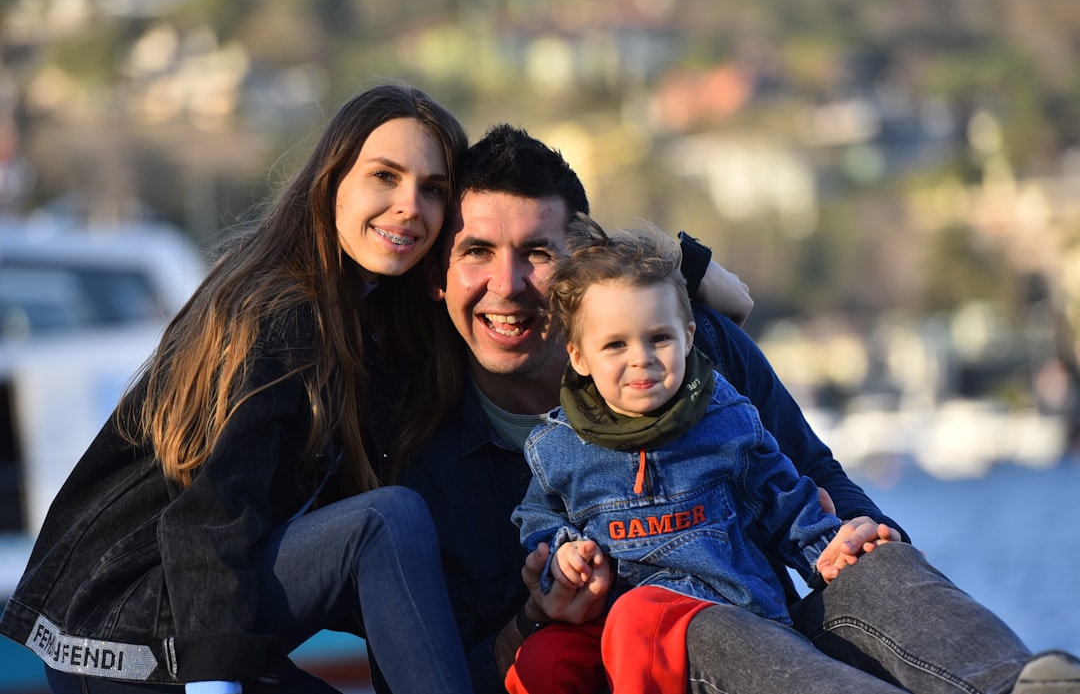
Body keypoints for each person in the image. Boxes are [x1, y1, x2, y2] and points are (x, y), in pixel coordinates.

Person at [388, 123, 1080, 694]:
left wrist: (855, 543)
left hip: (771, 638)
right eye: (477, 251)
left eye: (538, 253)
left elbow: (813, 477)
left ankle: (1016, 684)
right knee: (690, 624)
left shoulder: (706, 354)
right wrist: (535, 613)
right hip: (636, 655)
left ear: (581, 266)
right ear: (438, 275)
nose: (507, 284)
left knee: (876, 559)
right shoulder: (420, 449)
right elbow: (434, 675)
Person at [0, 83, 475, 693]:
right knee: (387, 519)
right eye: (385, 176)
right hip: (134, 632)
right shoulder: (281, 311)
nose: (409, 205)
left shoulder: (365, 323)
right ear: (331, 182)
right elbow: (213, 504)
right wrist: (215, 682)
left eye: (433, 189)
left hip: (189, 622)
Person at [506, 218, 848, 694]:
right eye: (615, 344)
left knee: (638, 616)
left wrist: (826, 551)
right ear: (579, 357)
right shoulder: (557, 445)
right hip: (608, 620)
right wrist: (563, 554)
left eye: (658, 338)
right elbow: (538, 519)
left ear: (687, 337)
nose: (641, 358)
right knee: (541, 661)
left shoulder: (726, 418)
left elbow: (783, 499)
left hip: (723, 612)